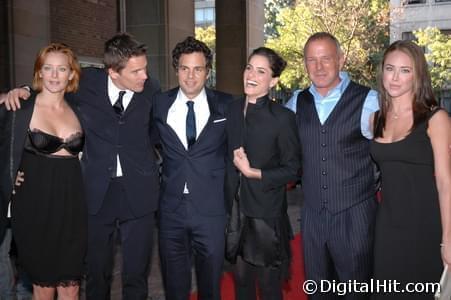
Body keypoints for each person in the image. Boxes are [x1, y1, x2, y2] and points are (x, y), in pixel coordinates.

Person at [3, 33, 161, 300]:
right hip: (94, 194)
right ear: (112, 72)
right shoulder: (88, 84)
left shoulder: (152, 90)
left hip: (139, 193)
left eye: (144, 68)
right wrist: (23, 89)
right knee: (96, 273)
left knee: (135, 274)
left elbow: (160, 132)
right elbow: (53, 81)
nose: (144, 75)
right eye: (136, 71)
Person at [293, 32, 379, 300]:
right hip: (313, 215)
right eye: (311, 60)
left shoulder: (370, 100)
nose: (318, 67)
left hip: (355, 215)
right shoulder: (295, 102)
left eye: (326, 59)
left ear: (340, 59)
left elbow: (392, 150)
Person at [0, 43, 86, 300]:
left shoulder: (78, 108)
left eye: (62, 69)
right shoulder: (19, 108)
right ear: (39, 72)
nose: (54, 75)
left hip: (73, 205)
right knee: (44, 287)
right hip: (35, 205)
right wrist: (8, 173)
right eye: (48, 68)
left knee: (71, 286)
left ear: (71, 74)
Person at [152, 36, 233, 300]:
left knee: (210, 287)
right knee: (175, 288)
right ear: (176, 69)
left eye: (197, 69)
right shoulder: (159, 104)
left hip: (211, 211)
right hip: (171, 211)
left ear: (207, 72)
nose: (190, 76)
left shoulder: (226, 105)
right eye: (185, 68)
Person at [370, 40, 451, 299]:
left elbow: (445, 183)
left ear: (417, 76)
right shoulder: (376, 119)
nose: (395, 77)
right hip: (387, 225)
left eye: (405, 70)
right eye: (390, 68)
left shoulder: (435, 118)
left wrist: (448, 238)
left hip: (425, 226)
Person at [225, 47, 301, 300]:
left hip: (265, 216)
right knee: (241, 285)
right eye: (249, 67)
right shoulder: (230, 110)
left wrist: (253, 172)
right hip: (234, 213)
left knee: (269, 288)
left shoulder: (283, 118)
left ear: (274, 80)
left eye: (261, 71)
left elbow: (293, 168)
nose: (251, 75)